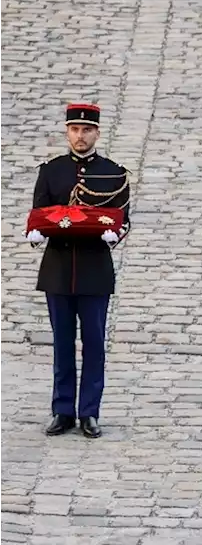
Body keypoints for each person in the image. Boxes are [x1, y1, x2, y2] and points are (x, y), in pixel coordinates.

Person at [28, 103, 131, 438]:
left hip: (94, 270)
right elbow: (39, 211)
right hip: (58, 269)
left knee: (94, 343)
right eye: (75, 129)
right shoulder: (51, 171)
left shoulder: (113, 172)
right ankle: (62, 410)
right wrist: (36, 232)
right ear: (67, 132)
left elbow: (122, 219)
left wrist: (114, 234)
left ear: (97, 133)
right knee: (61, 343)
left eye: (87, 130)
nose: (80, 136)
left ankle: (89, 412)